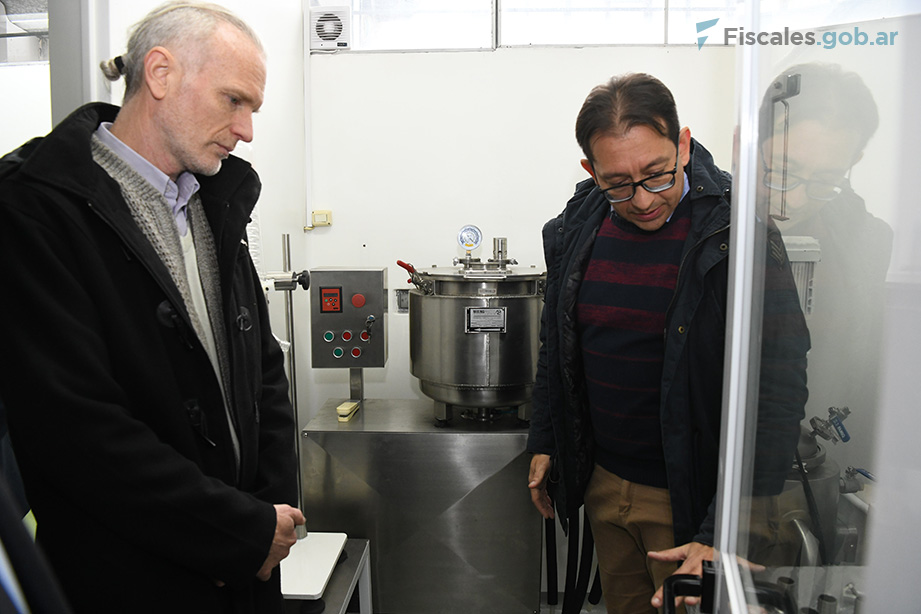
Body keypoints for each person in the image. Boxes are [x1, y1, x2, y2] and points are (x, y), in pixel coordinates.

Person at [0, 3, 304, 613]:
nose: (246, 130)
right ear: (161, 74)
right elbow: (76, 430)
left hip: (244, 571)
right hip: (130, 580)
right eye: (233, 100)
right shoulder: (36, 209)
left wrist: (269, 519)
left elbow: (263, 372)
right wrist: (229, 533)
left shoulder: (214, 200)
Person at [526, 73, 809, 613]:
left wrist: (720, 530)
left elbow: (779, 388)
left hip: (697, 499)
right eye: (618, 183)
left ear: (682, 143)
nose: (642, 199)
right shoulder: (578, 224)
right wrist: (547, 437)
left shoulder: (736, 231)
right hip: (606, 487)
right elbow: (557, 341)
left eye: (656, 174)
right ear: (590, 170)